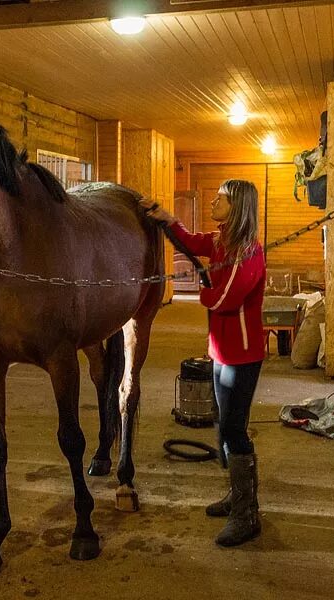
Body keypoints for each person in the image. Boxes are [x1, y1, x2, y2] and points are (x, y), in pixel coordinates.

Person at [141, 180, 266, 547]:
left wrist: (202, 288)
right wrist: (165, 220)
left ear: (238, 205)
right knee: (223, 427)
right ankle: (236, 496)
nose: (213, 201)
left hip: (243, 356)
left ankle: (248, 514)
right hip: (221, 352)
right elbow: (193, 241)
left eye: (220, 198)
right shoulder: (221, 242)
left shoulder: (249, 251)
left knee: (233, 430)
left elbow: (223, 300)